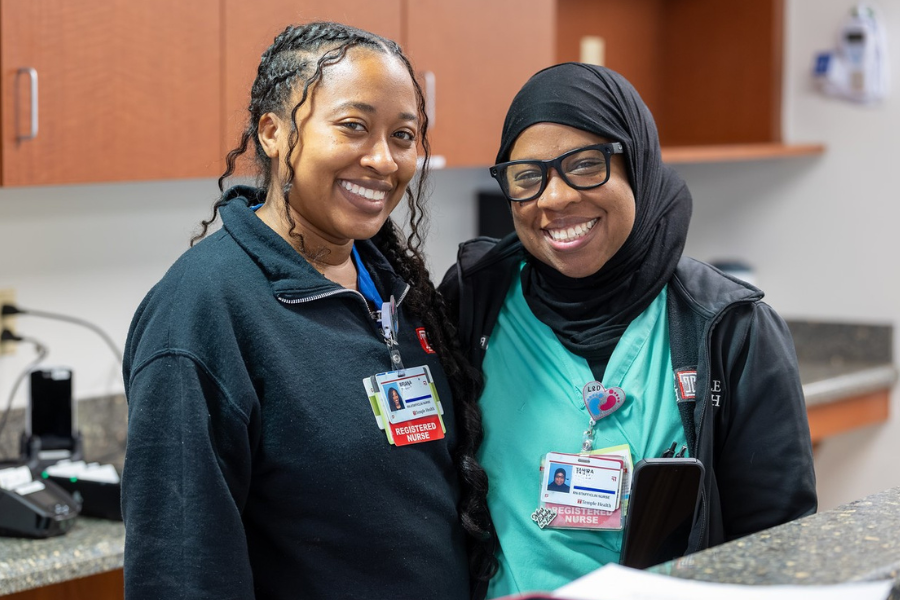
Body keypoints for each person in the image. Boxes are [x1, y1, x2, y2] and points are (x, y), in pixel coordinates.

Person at [122, 22, 487, 599]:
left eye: (403, 135)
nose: (383, 160)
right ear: (272, 131)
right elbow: (181, 569)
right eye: (354, 127)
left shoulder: (398, 292)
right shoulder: (202, 312)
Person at [440, 62, 817, 597]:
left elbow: (777, 551)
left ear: (636, 163)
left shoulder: (730, 330)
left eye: (586, 164)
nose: (554, 198)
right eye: (528, 175)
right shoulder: (473, 302)